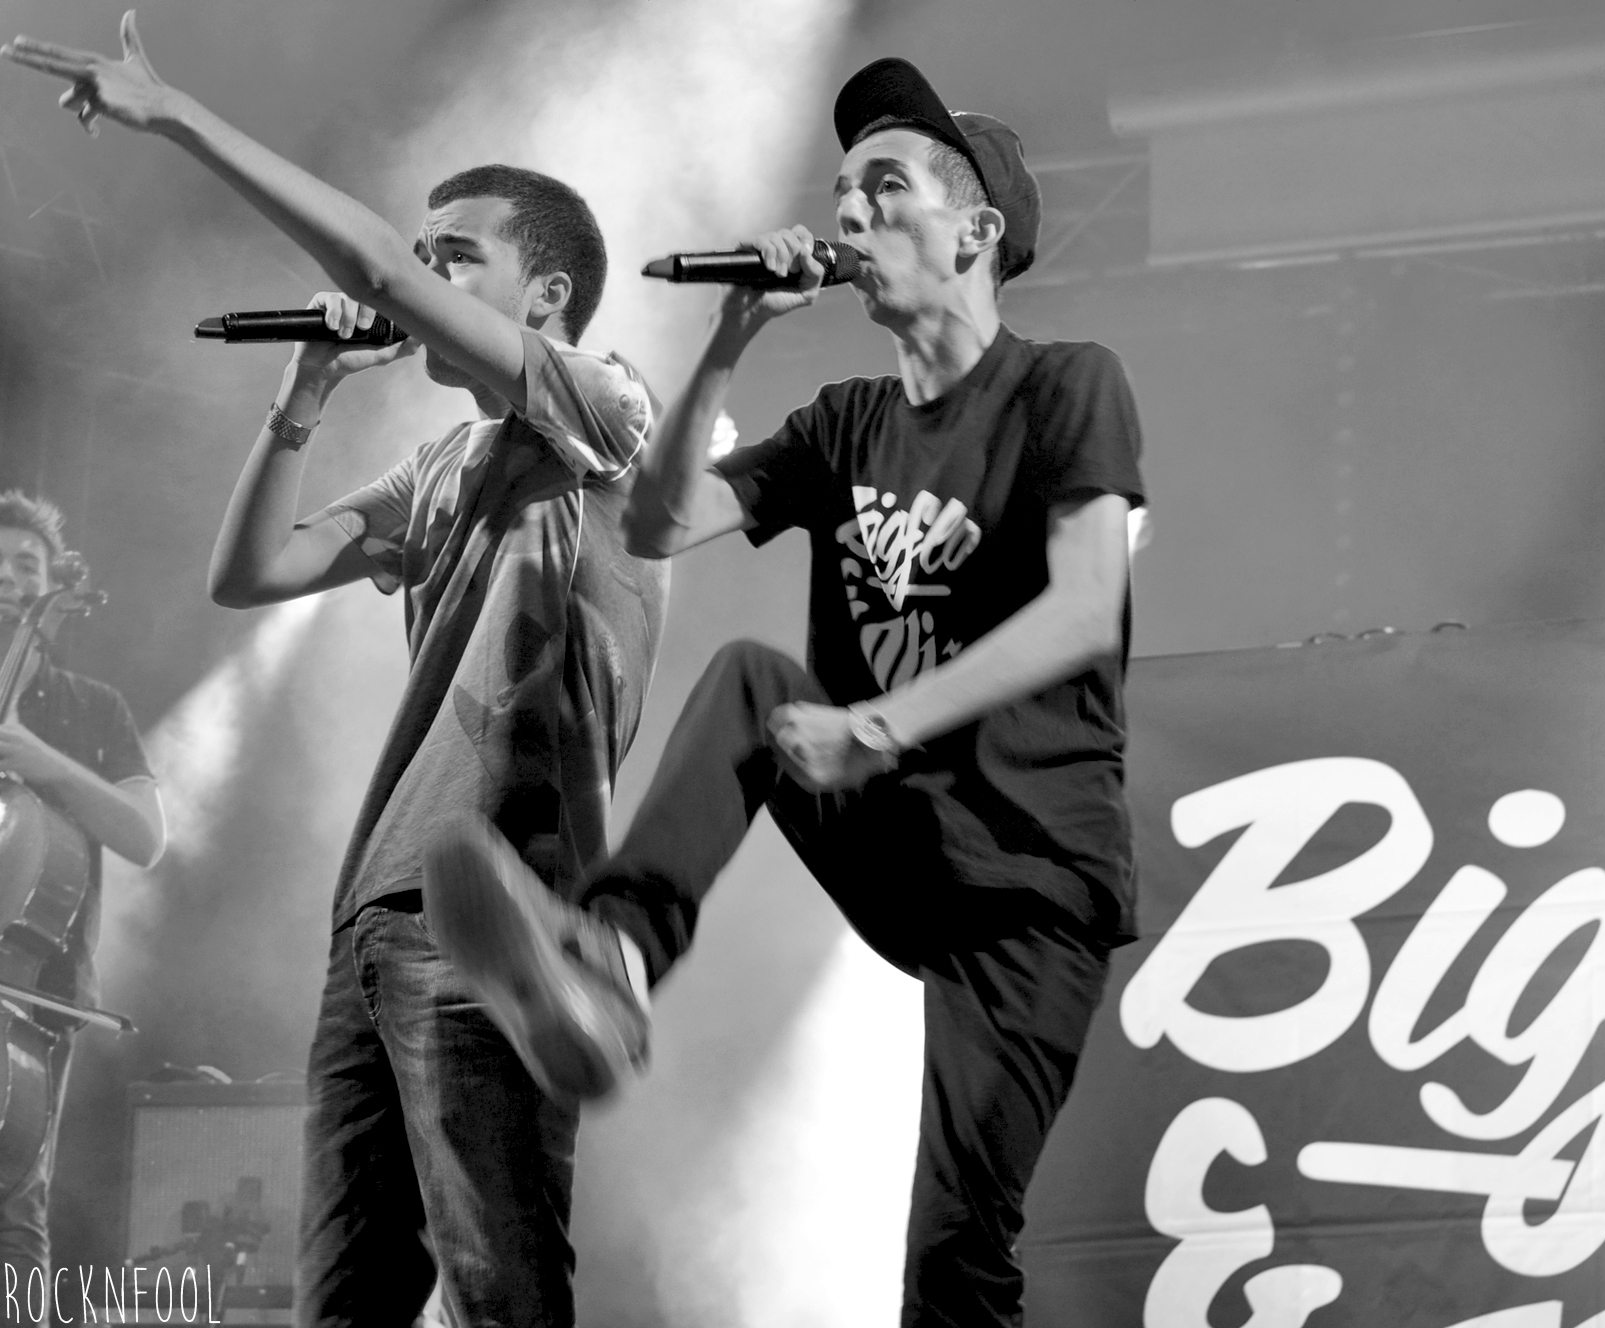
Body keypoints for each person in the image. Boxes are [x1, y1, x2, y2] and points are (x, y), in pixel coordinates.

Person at [424, 56, 1145, 1326]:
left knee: (955, 1250)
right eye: (842, 190)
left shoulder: (1065, 384)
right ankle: (610, 963)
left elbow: (1086, 606)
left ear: (974, 230)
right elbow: (654, 523)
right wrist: (733, 333)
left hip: (1031, 872)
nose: (849, 212)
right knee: (752, 681)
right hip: (900, 831)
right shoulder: (843, 422)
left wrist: (877, 721)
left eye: (886, 186)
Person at [3, 16, 666, 1326]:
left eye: (453, 256)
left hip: (500, 898)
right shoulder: (435, 468)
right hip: (373, 913)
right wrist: (307, 388)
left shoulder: (606, 405)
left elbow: (366, 259)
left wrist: (177, 115)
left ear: (543, 295)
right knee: (349, 1297)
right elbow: (250, 574)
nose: (418, 276)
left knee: (497, 1279)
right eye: (421, 254)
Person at [0, 490, 166, 1304]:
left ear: (51, 590)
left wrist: (39, 761)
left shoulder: (93, 709)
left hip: (29, 995)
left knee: (10, 1207)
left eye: (24, 564)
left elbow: (144, 835)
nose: (7, 577)